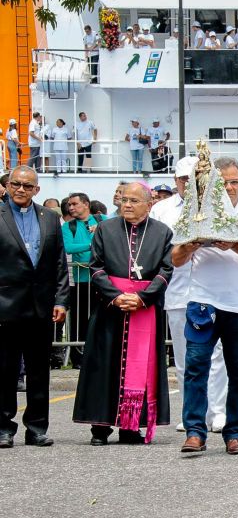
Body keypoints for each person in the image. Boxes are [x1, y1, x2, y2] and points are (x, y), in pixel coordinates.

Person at [172, 157, 238, 455]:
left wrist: (235, 245)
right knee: (196, 367)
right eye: (224, 182)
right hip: (203, 301)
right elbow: (175, 259)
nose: (230, 188)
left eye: (235, 182)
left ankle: (235, 432)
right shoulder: (197, 212)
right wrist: (190, 245)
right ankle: (194, 431)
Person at [73, 183, 173, 445]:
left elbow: (166, 271)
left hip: (144, 309)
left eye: (133, 201)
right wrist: (116, 296)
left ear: (148, 204)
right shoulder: (106, 229)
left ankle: (131, 426)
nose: (126, 205)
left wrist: (142, 298)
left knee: (141, 367)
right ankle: (100, 426)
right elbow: (95, 267)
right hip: (110, 309)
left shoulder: (162, 232)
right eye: (124, 200)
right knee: (104, 366)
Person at [150, 157, 228, 434]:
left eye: (193, 178)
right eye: (183, 179)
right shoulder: (161, 209)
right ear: (176, 180)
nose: (188, 184)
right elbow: (157, 249)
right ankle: (192, 411)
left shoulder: (218, 203)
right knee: (185, 358)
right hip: (178, 291)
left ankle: (218, 411)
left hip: (213, 289)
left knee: (216, 354)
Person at [0, 166, 69, 448]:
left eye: (27, 186)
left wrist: (61, 300)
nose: (20, 189)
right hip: (5, 305)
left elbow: (59, 263)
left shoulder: (50, 218)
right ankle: (4, 428)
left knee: (40, 371)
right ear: (7, 186)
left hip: (42, 306)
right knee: (5, 370)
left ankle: (37, 428)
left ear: (36, 190)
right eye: (15, 184)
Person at [62, 192, 106, 368]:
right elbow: (68, 247)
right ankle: (78, 358)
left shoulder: (102, 220)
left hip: (103, 279)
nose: (71, 207)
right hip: (81, 280)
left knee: (102, 318)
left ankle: (101, 354)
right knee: (79, 320)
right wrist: (92, 243)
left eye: (74, 204)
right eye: (69, 205)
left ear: (86, 204)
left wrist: (99, 234)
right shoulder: (68, 226)